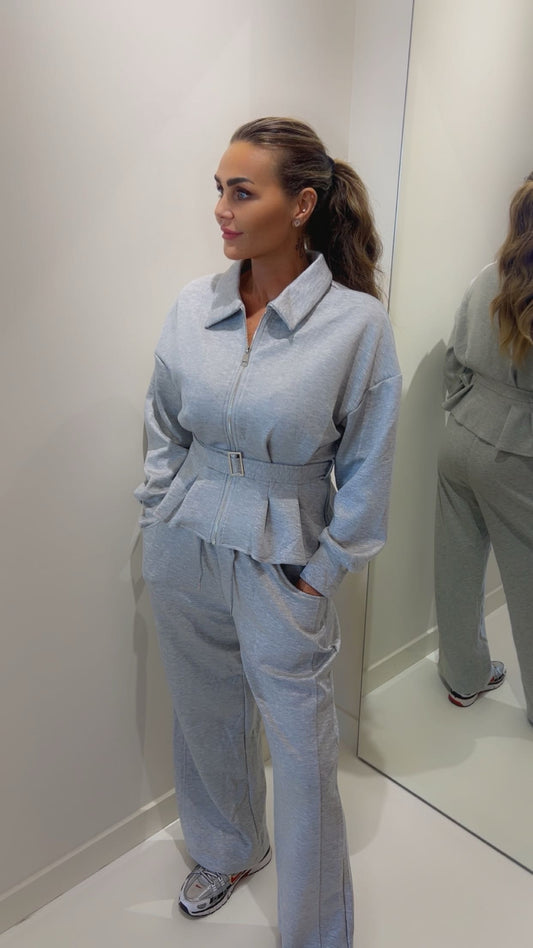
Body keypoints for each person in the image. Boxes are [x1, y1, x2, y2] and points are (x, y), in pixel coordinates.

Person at [135, 116, 401, 947]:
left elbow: (368, 464)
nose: (221, 208)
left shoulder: (355, 326)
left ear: (301, 204)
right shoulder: (193, 306)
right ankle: (227, 849)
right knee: (203, 714)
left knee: (302, 752)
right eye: (219, 189)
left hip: (285, 558)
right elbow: (162, 422)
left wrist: (325, 570)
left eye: (241, 192)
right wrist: (157, 513)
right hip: (185, 543)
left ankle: (315, 932)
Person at [435, 173, 533, 724]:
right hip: (519, 452)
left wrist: (472, 408)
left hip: (461, 432)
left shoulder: (486, 277)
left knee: (456, 561)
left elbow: (453, 358)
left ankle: (463, 677)